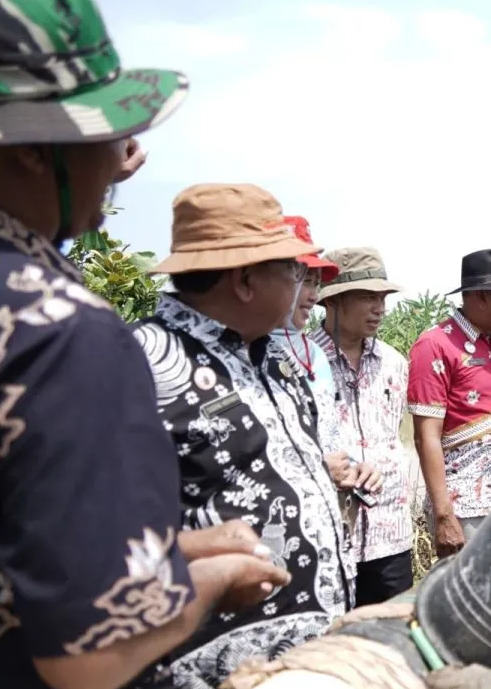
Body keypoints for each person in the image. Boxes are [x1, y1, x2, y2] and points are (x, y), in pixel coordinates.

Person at [0, 4, 290, 689]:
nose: (128, 154)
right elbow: (90, 653)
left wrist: (175, 547)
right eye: (109, 131)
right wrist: (217, 573)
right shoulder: (60, 330)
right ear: (38, 148)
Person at [132, 183, 352, 688]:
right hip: (205, 669)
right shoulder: (141, 362)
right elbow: (90, 531)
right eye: (293, 270)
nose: (302, 284)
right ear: (246, 280)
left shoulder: (275, 357)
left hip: (304, 660)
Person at [268, 219, 382, 596]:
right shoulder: (244, 353)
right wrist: (318, 468)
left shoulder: (313, 354)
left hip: (330, 528)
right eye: (302, 279)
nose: (312, 293)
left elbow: (327, 436)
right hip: (276, 536)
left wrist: (353, 465)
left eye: (316, 281)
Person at [407, 248, 491, 558]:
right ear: (480, 296)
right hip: (464, 511)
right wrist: (443, 515)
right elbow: (426, 437)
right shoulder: (435, 344)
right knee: (465, 599)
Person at [311, 247, 413, 605]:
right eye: (368, 297)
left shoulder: (394, 363)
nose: (379, 308)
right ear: (334, 301)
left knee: (391, 642)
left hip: (391, 534)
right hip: (331, 538)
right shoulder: (302, 362)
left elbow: (393, 434)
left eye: (382, 298)